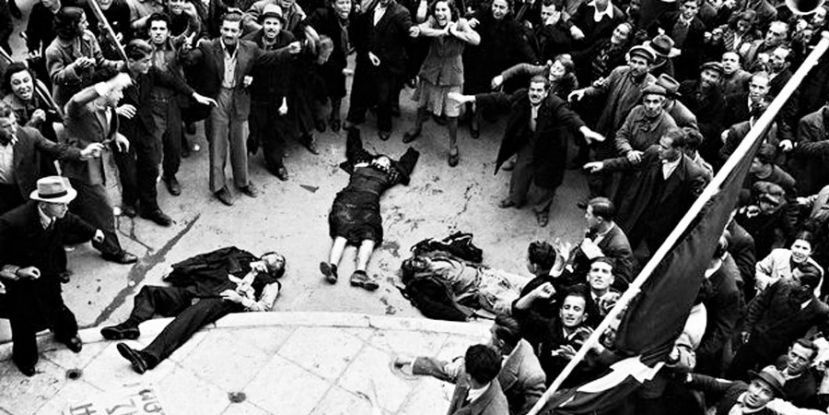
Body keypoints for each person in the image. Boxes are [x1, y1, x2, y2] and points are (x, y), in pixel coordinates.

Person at [102, 247, 285, 373]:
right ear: (265, 254)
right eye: (277, 256)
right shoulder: (239, 254)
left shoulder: (270, 283)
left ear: (276, 272)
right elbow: (206, 259)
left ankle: (148, 357)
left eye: (280, 262)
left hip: (219, 300)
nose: (277, 259)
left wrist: (242, 300)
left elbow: (264, 309)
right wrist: (177, 268)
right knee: (150, 292)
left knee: (187, 319)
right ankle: (130, 325)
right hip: (198, 289)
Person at [450, 76, 603, 226]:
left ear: (546, 92)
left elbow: (569, 117)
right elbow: (498, 98)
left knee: (546, 182)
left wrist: (584, 130)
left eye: (539, 90)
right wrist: (468, 98)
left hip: (551, 148)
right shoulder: (522, 97)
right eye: (532, 89)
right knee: (520, 171)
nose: (535, 94)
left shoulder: (555, 104)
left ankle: (542, 210)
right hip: (529, 141)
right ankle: (515, 198)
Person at [181, 11, 290, 206]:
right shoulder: (207, 47)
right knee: (218, 144)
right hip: (218, 99)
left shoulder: (251, 48)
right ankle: (219, 186)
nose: (229, 34)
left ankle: (242, 182)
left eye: (233, 30)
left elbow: (269, 58)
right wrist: (185, 50)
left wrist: (288, 50)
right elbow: (190, 59)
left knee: (240, 143)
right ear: (221, 29)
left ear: (240, 32)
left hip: (240, 98)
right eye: (226, 29)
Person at [0, 176, 105, 376]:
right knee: (23, 322)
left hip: (48, 272)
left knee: (56, 306)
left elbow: (73, 221)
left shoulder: (60, 213)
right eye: (60, 205)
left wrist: (93, 232)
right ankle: (24, 358)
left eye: (66, 204)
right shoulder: (12, 222)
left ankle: (66, 334)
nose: (65, 209)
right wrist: (18, 271)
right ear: (43, 205)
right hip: (21, 284)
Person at [115, 39, 216, 226]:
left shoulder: (150, 71)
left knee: (151, 167)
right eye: (144, 61)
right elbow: (91, 102)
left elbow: (173, 81)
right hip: (121, 132)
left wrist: (195, 95)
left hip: (145, 127)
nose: (149, 64)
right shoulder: (112, 75)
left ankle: (149, 207)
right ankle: (129, 200)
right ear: (130, 61)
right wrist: (113, 111)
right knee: (128, 172)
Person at [320, 128, 419, 290]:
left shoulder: (391, 175)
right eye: (382, 160)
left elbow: (405, 166)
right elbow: (354, 148)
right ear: (374, 160)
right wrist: (354, 131)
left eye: (388, 163)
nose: (385, 162)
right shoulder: (360, 163)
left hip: (369, 206)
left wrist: (412, 153)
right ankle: (332, 268)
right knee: (341, 234)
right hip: (347, 201)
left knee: (370, 235)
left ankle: (360, 272)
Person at [584, 128, 711, 253]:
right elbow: (632, 163)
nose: (660, 149)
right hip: (636, 215)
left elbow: (698, 206)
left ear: (678, 150)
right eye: (660, 145)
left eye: (665, 148)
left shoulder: (694, 174)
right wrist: (604, 165)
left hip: (658, 230)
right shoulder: (653, 152)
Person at [396, 316, 545, 415]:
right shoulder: (498, 346)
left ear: (501, 343)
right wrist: (412, 361)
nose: (489, 336)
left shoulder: (532, 375)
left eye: (491, 334)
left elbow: (531, 409)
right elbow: (462, 368)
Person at [61, 73, 138, 265]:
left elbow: (103, 126)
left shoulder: (108, 107)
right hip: (83, 168)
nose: (120, 96)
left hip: (98, 164)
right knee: (104, 209)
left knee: (79, 204)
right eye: (118, 91)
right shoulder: (81, 109)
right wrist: (111, 82)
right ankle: (111, 250)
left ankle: (70, 235)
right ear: (106, 91)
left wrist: (115, 136)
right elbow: (75, 101)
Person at [569, 45, 656, 198]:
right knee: (600, 161)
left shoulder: (651, 85)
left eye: (641, 63)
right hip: (607, 128)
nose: (635, 66)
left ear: (650, 66)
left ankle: (608, 201)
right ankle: (594, 197)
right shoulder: (619, 72)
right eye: (634, 61)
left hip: (628, 136)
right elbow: (602, 87)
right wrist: (584, 91)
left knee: (617, 171)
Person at [402, 0, 480, 168]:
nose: (439, 13)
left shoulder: (462, 23)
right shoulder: (433, 21)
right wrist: (439, 31)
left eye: (443, 9)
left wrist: (455, 32)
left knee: (452, 115)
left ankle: (453, 146)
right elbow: (421, 28)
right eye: (437, 9)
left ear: (452, 10)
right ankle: (417, 128)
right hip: (431, 69)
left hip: (452, 75)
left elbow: (476, 40)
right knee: (422, 104)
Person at [0, 100, 103, 215]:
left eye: (14, 123)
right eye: (6, 126)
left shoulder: (29, 135)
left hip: (25, 196)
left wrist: (82, 153)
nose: (13, 130)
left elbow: (55, 149)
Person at [728, 270, 829, 380]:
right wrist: (747, 328)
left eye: (794, 279)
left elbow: (821, 333)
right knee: (734, 372)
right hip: (754, 340)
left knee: (763, 380)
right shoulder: (780, 285)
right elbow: (759, 304)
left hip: (777, 354)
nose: (788, 279)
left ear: (805, 287)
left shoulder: (819, 310)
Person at [145, 11, 201, 197]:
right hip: (150, 106)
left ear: (169, 31)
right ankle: (149, 181)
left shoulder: (176, 45)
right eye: (154, 29)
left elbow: (193, 29)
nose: (158, 32)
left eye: (162, 28)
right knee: (152, 148)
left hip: (172, 104)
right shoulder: (141, 50)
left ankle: (170, 176)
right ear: (149, 31)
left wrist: (191, 15)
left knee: (174, 146)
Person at [245, 4, 304, 180]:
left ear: (281, 26)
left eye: (275, 23)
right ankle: (243, 162)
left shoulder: (288, 39)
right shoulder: (250, 40)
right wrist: (247, 77)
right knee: (252, 129)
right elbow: (243, 64)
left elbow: (290, 72)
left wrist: (285, 99)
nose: (271, 27)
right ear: (262, 23)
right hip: (255, 92)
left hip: (278, 91)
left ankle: (276, 164)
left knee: (276, 129)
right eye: (268, 22)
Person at [343, 0, 414, 141]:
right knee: (358, 90)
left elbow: (408, 43)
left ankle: (384, 126)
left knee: (384, 97)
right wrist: (366, 52)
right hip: (365, 58)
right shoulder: (368, 7)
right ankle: (355, 117)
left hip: (386, 65)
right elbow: (359, 34)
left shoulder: (401, 13)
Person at [45, 7, 125, 107]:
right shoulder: (54, 50)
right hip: (69, 100)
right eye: (83, 22)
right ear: (71, 26)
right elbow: (56, 77)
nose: (87, 24)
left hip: (88, 92)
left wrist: (115, 64)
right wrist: (75, 68)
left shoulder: (89, 36)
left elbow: (100, 61)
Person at [306, 0, 354, 133]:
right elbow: (305, 26)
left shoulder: (354, 17)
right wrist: (315, 38)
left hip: (339, 58)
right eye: (341, 3)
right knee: (318, 88)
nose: (345, 7)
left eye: (348, 2)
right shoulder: (321, 15)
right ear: (333, 5)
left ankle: (335, 115)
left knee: (338, 88)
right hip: (321, 59)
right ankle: (319, 117)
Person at [566, 197, 634, 285]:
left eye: (588, 214)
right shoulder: (597, 227)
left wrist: (600, 258)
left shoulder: (620, 247)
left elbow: (623, 281)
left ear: (599, 220)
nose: (585, 217)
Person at [686, 365, 788, 415]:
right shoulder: (738, 388)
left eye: (766, 392)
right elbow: (712, 383)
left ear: (770, 399)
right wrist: (688, 377)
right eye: (756, 385)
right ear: (750, 383)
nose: (756, 394)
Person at [755, 231, 824, 294]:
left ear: (811, 251)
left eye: (804, 248)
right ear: (791, 246)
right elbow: (757, 270)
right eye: (797, 246)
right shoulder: (777, 254)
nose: (799, 252)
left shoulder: (816, 270)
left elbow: (815, 294)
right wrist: (771, 283)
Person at [774, 338, 822, 408]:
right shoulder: (781, 360)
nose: (794, 362)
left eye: (802, 359)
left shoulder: (807, 391)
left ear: (810, 363)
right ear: (789, 351)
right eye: (793, 355)